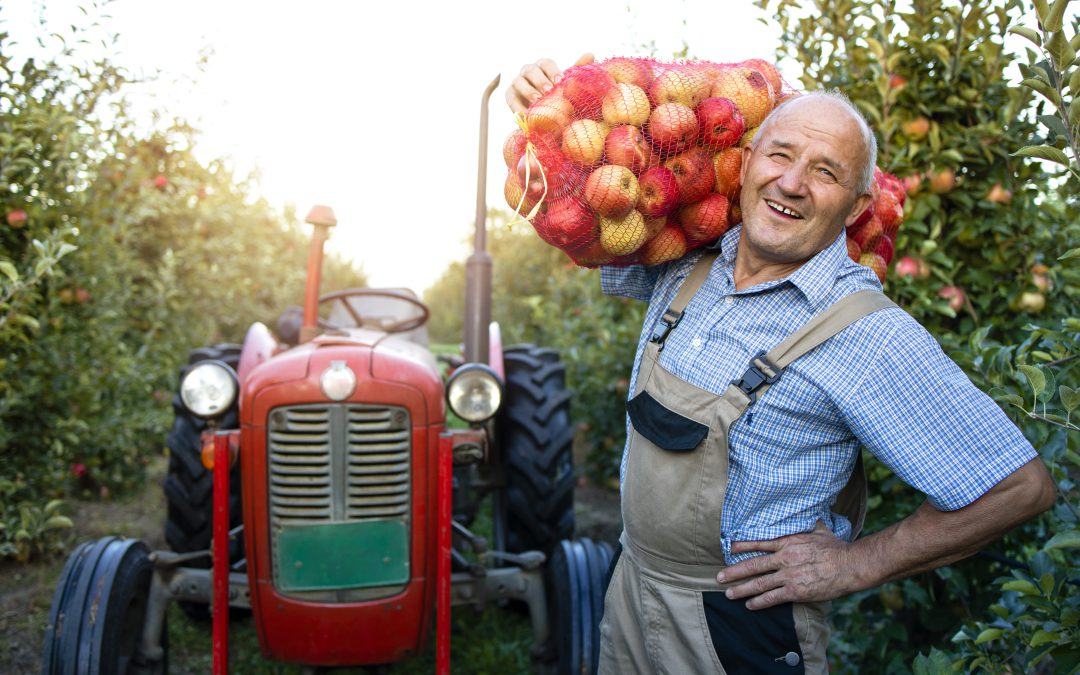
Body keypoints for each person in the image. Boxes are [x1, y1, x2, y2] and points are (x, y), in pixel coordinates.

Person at [507, 56, 1056, 674]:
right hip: (632, 587)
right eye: (780, 155)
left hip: (738, 630)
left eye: (826, 172)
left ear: (856, 205)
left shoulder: (866, 335)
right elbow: (580, 209)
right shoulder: (687, 262)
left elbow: (1019, 487)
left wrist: (858, 563)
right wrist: (541, 110)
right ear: (743, 166)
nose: (792, 183)